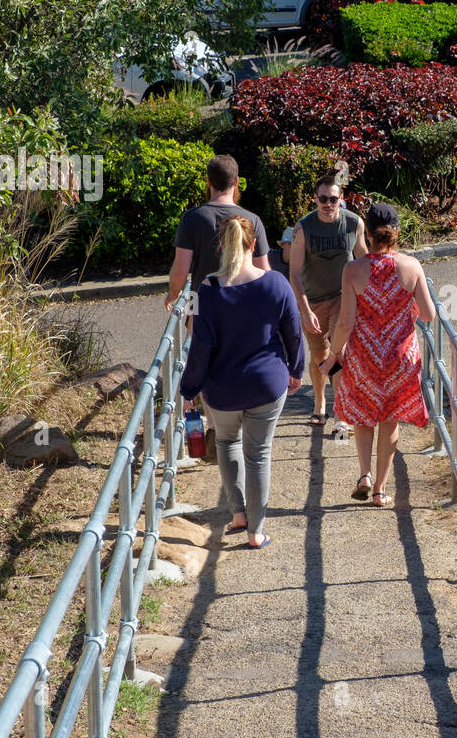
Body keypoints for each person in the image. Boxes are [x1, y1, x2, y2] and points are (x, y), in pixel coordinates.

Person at [180, 216, 304, 548]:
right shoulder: (276, 283)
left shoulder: (206, 290)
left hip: (221, 389)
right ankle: (256, 531)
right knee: (258, 453)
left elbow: (199, 348)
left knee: (227, 443)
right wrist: (297, 370)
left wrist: (188, 390)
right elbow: (294, 333)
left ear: (221, 245)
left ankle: (237, 515)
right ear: (253, 245)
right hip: (266, 384)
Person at [321, 202, 436, 507]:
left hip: (364, 357)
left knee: (363, 416)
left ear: (367, 234)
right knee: (390, 421)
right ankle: (381, 491)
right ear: (397, 232)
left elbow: (345, 322)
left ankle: (364, 475)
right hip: (400, 358)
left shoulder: (353, 270)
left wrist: (334, 355)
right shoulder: (412, 266)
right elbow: (428, 314)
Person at [290, 173, 367, 433]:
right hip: (312, 300)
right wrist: (304, 309)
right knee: (320, 356)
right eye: (322, 199)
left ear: (340, 199)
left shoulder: (354, 223)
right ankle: (319, 402)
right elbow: (295, 273)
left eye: (333, 199)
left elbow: (365, 261)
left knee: (339, 353)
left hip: (342, 298)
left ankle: (340, 413)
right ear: (315, 198)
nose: (328, 204)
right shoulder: (303, 228)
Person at [166, 155, 271, 313]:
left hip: (199, 300)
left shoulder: (190, 218)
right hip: (242, 302)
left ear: (208, 182)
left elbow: (181, 270)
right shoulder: (253, 220)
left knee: (194, 336)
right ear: (236, 182)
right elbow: (263, 271)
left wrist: (172, 294)